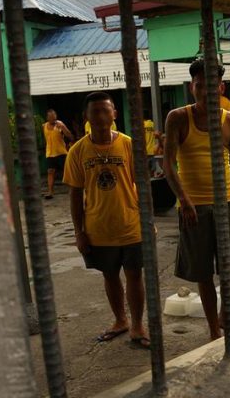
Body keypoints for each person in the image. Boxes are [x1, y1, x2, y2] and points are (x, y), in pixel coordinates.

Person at [163, 59, 230, 340]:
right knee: (203, 272)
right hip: (194, 207)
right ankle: (214, 329)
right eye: (199, 86)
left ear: (221, 87)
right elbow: (168, 164)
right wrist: (184, 200)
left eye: (210, 86)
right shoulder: (178, 118)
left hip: (226, 202)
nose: (204, 91)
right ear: (192, 87)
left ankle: (227, 314)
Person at [65, 92, 150, 349]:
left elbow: (143, 185)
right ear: (86, 117)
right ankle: (120, 320)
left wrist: (148, 220)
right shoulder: (78, 151)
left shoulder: (128, 145)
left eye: (106, 110)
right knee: (110, 275)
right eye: (95, 112)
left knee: (135, 275)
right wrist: (79, 232)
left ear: (114, 114)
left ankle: (137, 325)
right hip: (98, 228)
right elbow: (75, 194)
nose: (101, 116)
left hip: (131, 224)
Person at [43, 109, 73, 199]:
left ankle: (72, 190)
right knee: (50, 172)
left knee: (66, 171)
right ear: (47, 118)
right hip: (50, 153)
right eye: (51, 117)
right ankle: (50, 192)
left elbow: (70, 137)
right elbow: (46, 139)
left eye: (54, 117)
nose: (53, 119)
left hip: (61, 152)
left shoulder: (60, 125)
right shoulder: (44, 126)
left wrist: (63, 127)